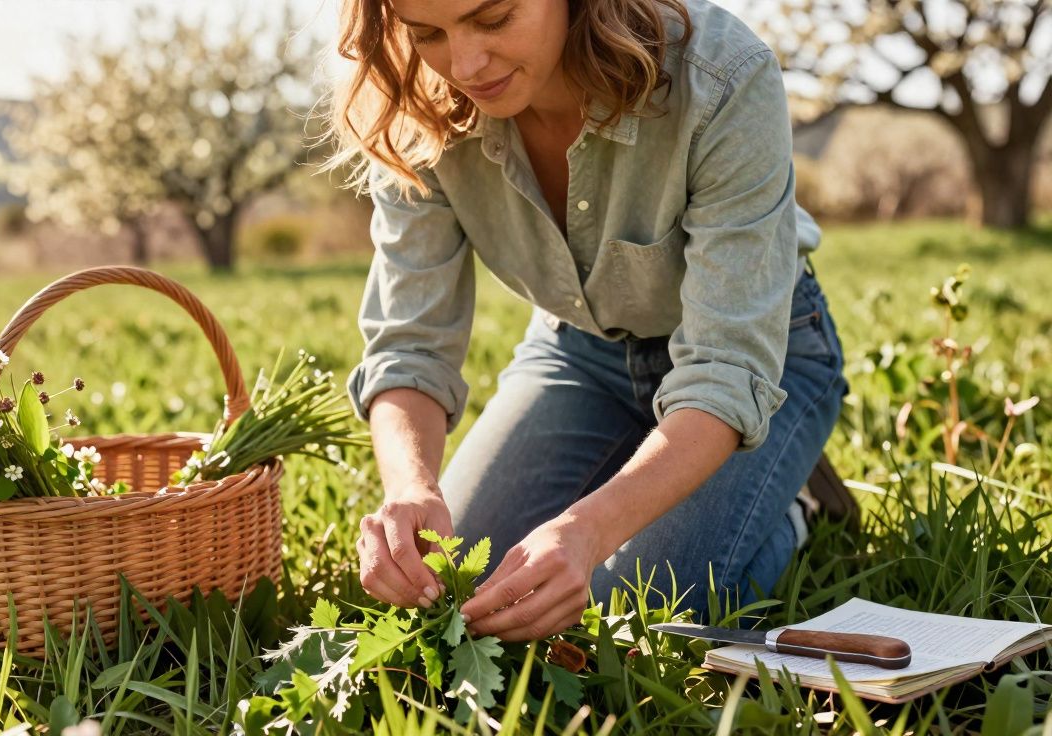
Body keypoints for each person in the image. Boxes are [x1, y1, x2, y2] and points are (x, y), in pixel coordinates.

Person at [322, 0, 850, 642]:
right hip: (581, 354)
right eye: (427, 32)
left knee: (615, 619)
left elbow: (725, 369)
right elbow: (408, 344)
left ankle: (792, 508)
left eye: (492, 19)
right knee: (462, 589)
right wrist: (410, 486)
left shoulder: (722, 77)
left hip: (767, 356)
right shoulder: (419, 107)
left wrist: (589, 530)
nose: (463, 64)